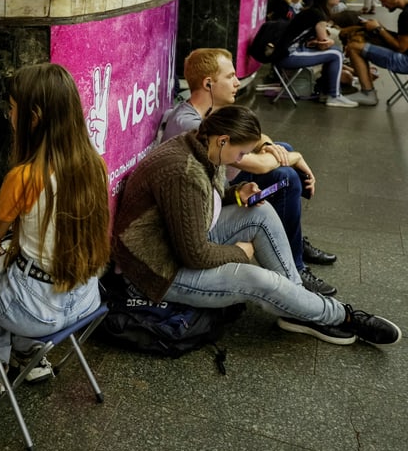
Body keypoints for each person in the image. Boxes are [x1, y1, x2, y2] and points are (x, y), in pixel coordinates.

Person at [114, 105, 401, 348]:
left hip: (175, 242)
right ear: (223, 140)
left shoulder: (200, 145)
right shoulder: (181, 171)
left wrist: (236, 193)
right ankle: (342, 317)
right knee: (262, 282)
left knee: (261, 213)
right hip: (157, 271)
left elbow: (196, 202)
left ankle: (298, 307)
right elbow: (195, 256)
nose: (241, 160)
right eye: (241, 153)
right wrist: (241, 252)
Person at [0, 63, 110, 395]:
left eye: (12, 110)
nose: (9, 117)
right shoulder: (95, 165)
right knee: (16, 266)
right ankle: (29, 354)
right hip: (86, 301)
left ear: (35, 117)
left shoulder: (25, 176)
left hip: (32, 312)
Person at [162, 48, 337, 296]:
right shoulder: (191, 124)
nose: (237, 82)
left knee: (280, 149)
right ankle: (295, 267)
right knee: (284, 175)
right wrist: (295, 157)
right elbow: (260, 166)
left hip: (219, 181)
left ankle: (292, 239)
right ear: (208, 83)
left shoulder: (212, 109)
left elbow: (253, 137)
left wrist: (266, 145)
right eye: (230, 77)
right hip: (209, 197)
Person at [276, 0, 359, 107]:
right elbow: (324, 44)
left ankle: (326, 92)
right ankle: (334, 96)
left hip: (288, 52)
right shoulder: (318, 15)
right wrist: (329, 41)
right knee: (335, 53)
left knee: (333, 53)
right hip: (287, 55)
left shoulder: (314, 11)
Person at [345, 0, 408, 106]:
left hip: (405, 61)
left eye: (384, 1)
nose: (383, 5)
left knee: (353, 47)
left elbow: (401, 48)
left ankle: (368, 93)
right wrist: (382, 30)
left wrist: (378, 29)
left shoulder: (406, 16)